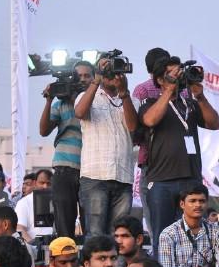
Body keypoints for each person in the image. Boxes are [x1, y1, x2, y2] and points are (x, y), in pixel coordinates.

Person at [139, 55, 219, 238]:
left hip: (191, 179)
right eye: (171, 74)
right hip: (162, 181)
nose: (177, 77)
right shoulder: (150, 103)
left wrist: (200, 96)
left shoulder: (190, 103)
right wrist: (168, 91)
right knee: (163, 235)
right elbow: (150, 120)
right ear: (160, 79)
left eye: (179, 73)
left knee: (192, 233)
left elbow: (214, 123)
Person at [74, 55, 138, 237]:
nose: (110, 73)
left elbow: (133, 126)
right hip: (95, 176)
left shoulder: (130, 100)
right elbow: (79, 112)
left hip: (123, 176)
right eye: (106, 68)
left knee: (119, 235)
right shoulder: (86, 96)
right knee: (95, 234)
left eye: (114, 68)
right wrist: (96, 79)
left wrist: (123, 93)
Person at [39, 60, 93, 238]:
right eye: (79, 76)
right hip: (64, 166)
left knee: (91, 222)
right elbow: (44, 130)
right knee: (64, 221)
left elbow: (84, 113)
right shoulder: (60, 104)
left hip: (91, 169)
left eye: (87, 76)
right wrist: (49, 100)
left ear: (94, 79)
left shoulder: (98, 101)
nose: (83, 79)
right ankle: (66, 257)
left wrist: (75, 99)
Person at [132, 47, 174, 235]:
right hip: (154, 163)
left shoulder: (183, 90)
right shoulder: (142, 91)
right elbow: (135, 127)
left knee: (158, 223)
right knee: (158, 223)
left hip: (167, 163)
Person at [15, 168, 54, 243]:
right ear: (35, 183)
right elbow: (20, 228)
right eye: (42, 183)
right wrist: (33, 246)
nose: (45, 186)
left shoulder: (58, 202)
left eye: (48, 183)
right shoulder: (24, 202)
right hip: (34, 247)